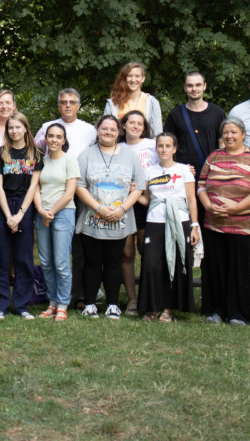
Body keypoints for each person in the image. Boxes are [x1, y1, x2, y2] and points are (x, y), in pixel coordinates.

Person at [198, 117, 250, 325]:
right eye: (226, 132)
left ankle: (238, 314)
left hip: (244, 225)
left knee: (240, 270)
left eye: (234, 132)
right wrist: (209, 206)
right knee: (216, 269)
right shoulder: (214, 157)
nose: (229, 136)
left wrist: (237, 208)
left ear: (243, 135)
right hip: (215, 224)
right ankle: (216, 311)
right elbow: (201, 185)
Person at [74, 115, 145, 320]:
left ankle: (113, 304)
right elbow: (79, 185)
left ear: (119, 132)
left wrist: (122, 209)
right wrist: (97, 207)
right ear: (98, 130)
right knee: (92, 262)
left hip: (119, 219)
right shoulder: (86, 155)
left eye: (112, 129)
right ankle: (90, 304)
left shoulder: (130, 156)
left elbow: (139, 186)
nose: (108, 132)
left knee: (114, 262)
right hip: (92, 219)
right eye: (104, 128)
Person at [33, 88, 97, 311]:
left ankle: (75, 295)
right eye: (63, 102)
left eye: (72, 102)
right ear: (58, 105)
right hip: (46, 199)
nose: (67, 105)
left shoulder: (89, 130)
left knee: (75, 251)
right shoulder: (46, 128)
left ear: (78, 105)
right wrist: (42, 209)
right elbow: (35, 154)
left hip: (77, 194)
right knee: (48, 258)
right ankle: (54, 300)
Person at [138, 133, 200, 322]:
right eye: (160, 146)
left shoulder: (184, 170)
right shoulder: (149, 171)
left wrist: (194, 226)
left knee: (174, 263)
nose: (164, 149)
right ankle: (152, 306)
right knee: (151, 264)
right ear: (156, 148)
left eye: (167, 146)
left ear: (174, 149)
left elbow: (191, 199)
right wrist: (134, 193)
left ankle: (168, 308)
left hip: (179, 221)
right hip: (155, 221)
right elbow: (147, 200)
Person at [0, 112, 43, 320]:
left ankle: (22, 305)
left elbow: (33, 187)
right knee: (0, 258)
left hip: (24, 206)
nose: (14, 131)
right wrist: (8, 216)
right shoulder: (0, 153)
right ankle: (0, 305)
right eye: (11, 127)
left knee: (23, 258)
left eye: (18, 127)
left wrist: (19, 215)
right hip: (3, 205)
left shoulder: (35, 154)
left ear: (25, 129)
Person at [32, 123, 79, 321]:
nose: (54, 140)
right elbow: (35, 187)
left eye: (58, 137)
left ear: (64, 140)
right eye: (51, 136)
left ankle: (63, 304)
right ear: (46, 139)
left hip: (63, 213)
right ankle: (51, 303)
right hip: (42, 213)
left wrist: (50, 213)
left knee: (60, 262)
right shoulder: (41, 161)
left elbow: (69, 193)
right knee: (46, 262)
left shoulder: (70, 161)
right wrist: (41, 211)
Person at [118, 110, 159, 316]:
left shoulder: (153, 146)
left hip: (146, 203)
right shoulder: (118, 147)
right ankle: (132, 300)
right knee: (126, 253)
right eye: (131, 122)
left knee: (146, 252)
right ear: (124, 125)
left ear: (144, 127)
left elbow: (166, 165)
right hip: (123, 203)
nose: (135, 126)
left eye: (139, 123)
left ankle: (147, 296)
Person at [162, 70, 225, 180]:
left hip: (212, 174)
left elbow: (223, 143)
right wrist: (176, 168)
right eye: (190, 85)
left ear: (204, 86)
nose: (194, 89)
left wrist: (222, 167)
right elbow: (166, 145)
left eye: (198, 85)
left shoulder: (217, 113)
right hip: (184, 174)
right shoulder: (175, 114)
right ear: (185, 87)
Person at [103, 62, 163, 136]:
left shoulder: (152, 103)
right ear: (124, 78)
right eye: (129, 76)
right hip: (118, 143)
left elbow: (157, 133)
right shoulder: (112, 103)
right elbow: (105, 130)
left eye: (137, 76)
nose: (133, 80)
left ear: (143, 78)